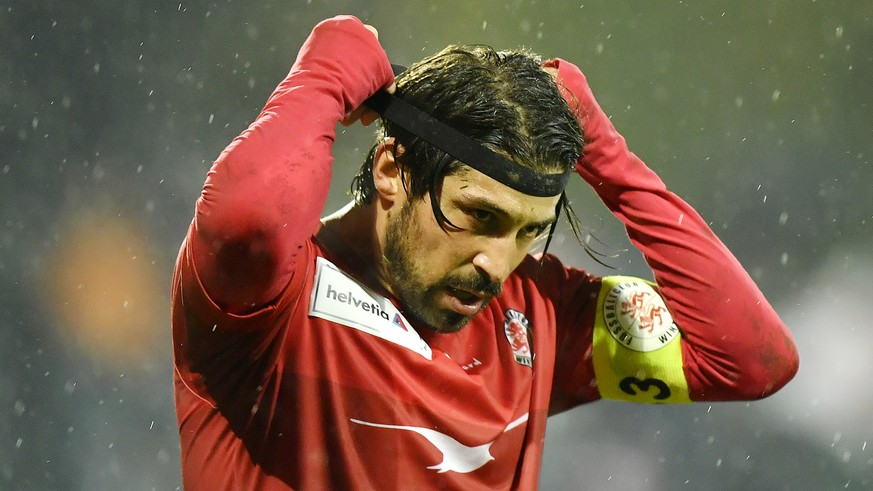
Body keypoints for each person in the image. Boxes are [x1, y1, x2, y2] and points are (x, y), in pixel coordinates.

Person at [171, 14, 799, 490]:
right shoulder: (268, 300)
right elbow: (249, 218)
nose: (498, 265)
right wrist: (322, 78)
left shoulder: (540, 311)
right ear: (393, 170)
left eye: (530, 231)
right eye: (480, 217)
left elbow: (750, 360)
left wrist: (608, 155)